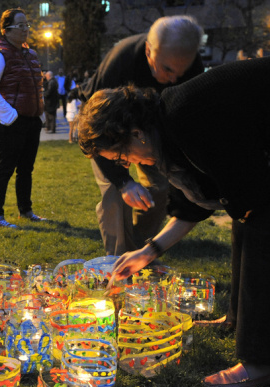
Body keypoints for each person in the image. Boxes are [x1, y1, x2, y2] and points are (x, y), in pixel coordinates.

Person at [77, 52, 270, 387]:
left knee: (266, 228)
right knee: (248, 219)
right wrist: (148, 252)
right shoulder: (168, 127)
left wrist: (247, 208)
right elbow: (192, 204)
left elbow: (251, 195)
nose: (126, 165)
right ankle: (239, 321)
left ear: (135, 133)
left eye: (121, 158)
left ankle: (262, 363)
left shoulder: (187, 117)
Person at [80, 15, 205, 257]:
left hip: (150, 133)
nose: (173, 79)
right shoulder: (121, 61)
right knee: (114, 195)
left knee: (158, 187)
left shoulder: (189, 63)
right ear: (149, 50)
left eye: (181, 72)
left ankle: (139, 250)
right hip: (106, 132)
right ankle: (116, 259)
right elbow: (98, 132)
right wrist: (123, 181)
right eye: (167, 69)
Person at [0, 8, 45, 229]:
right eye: (21, 26)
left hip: (31, 120)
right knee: (5, 168)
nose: (26, 29)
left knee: (26, 168)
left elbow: (35, 86)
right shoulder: (0, 54)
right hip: (11, 121)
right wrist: (9, 115)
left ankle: (25, 211)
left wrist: (39, 114)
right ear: (7, 30)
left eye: (27, 25)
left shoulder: (29, 53)